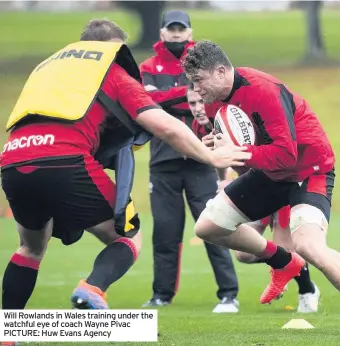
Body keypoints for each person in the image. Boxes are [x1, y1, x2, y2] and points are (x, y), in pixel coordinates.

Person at [0, 21, 251, 321]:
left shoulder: (45, 70)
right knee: (129, 236)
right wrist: (211, 157)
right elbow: (166, 127)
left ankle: (7, 333)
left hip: (13, 160)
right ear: (112, 47)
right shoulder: (111, 71)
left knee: (30, 248)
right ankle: (92, 288)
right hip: (67, 159)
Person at [182, 40, 337, 304]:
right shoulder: (214, 102)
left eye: (198, 80)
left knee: (310, 247)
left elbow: (287, 156)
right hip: (270, 174)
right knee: (208, 227)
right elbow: (243, 162)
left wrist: (238, 150)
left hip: (307, 171)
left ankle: (297, 268)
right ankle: (284, 262)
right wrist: (218, 149)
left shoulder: (264, 91)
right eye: (192, 82)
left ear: (221, 72)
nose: (196, 89)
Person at [139, 11, 240, 313]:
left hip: (201, 159)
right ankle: (161, 295)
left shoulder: (201, 63)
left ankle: (228, 294)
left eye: (180, 29)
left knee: (215, 228)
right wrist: (186, 96)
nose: (176, 33)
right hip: (162, 160)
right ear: (162, 32)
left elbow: (211, 97)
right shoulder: (147, 66)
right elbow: (146, 102)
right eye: (171, 29)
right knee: (165, 232)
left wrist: (166, 100)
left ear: (189, 31)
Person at [224, 167, 320, 312]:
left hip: (284, 189)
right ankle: (278, 261)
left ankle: (307, 290)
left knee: (287, 252)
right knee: (243, 254)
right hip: (256, 191)